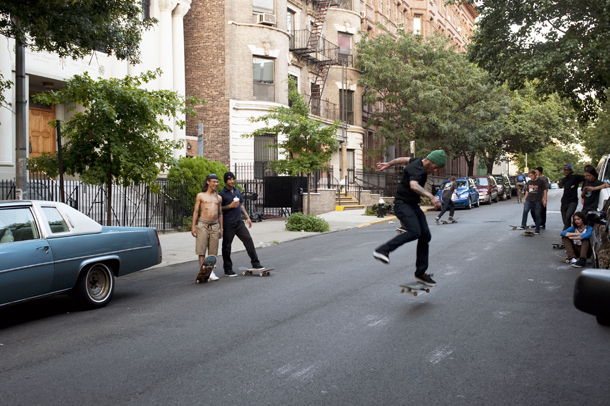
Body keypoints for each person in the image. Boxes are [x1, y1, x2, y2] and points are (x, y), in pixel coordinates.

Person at [373, 150, 445, 286]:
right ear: (430, 161)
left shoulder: (418, 161)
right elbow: (413, 185)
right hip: (402, 205)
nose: (435, 170)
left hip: (412, 205)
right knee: (415, 232)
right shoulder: (418, 169)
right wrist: (431, 197)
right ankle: (383, 250)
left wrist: (388, 164)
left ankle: (420, 274)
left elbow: (402, 159)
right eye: (435, 167)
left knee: (425, 236)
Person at [220, 171, 264, 277]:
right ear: (226, 181)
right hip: (228, 223)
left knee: (248, 240)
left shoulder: (237, 191)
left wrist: (247, 217)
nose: (232, 181)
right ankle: (228, 269)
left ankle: (255, 263)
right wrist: (229, 206)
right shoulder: (221, 194)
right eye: (230, 179)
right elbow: (219, 209)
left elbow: (241, 205)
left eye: (233, 179)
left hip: (239, 222)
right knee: (226, 247)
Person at [191, 174, 223, 281]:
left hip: (215, 225)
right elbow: (196, 211)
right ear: (208, 182)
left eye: (217, 182)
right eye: (214, 182)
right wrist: (193, 226)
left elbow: (220, 214)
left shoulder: (218, 197)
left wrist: (221, 228)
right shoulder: (201, 195)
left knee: (212, 251)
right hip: (203, 224)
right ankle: (203, 271)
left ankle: (210, 271)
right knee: (201, 249)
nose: (216, 184)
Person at [519, 169, 547, 234]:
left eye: (532, 175)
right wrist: (525, 199)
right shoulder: (529, 182)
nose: (531, 177)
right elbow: (527, 191)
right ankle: (523, 225)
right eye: (530, 176)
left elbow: (545, 190)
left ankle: (537, 228)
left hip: (537, 200)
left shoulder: (540, 181)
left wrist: (544, 199)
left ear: (535, 174)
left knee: (537, 214)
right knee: (525, 210)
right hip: (529, 199)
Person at [558, 164, 585, 231]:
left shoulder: (575, 177)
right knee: (565, 220)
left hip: (572, 201)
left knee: (568, 216)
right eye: (565, 170)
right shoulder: (564, 180)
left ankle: (565, 233)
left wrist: (584, 189)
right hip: (564, 202)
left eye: (567, 170)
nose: (566, 172)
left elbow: (586, 178)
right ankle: (570, 231)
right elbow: (561, 186)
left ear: (571, 170)